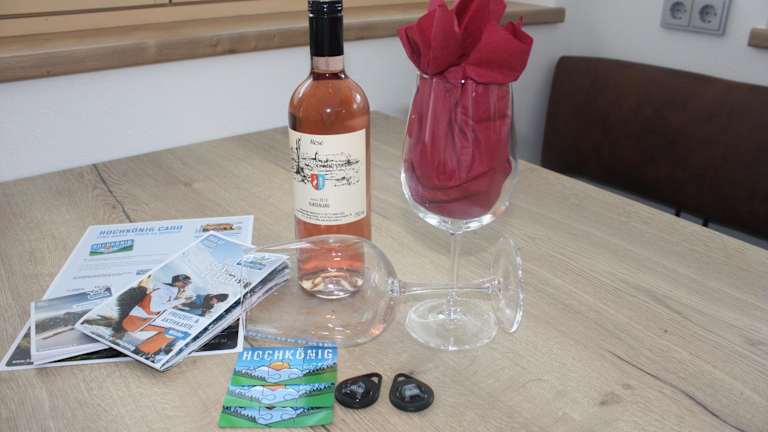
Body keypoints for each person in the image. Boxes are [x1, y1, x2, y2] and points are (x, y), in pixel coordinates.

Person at [120, 274, 193, 359]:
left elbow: (160, 305)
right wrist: (181, 300)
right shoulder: (163, 290)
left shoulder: (170, 290)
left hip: (142, 319)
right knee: (174, 332)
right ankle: (141, 352)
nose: (186, 285)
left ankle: (145, 351)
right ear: (177, 281)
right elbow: (153, 308)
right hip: (137, 320)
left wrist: (179, 303)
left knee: (175, 331)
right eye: (185, 282)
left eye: (188, 283)